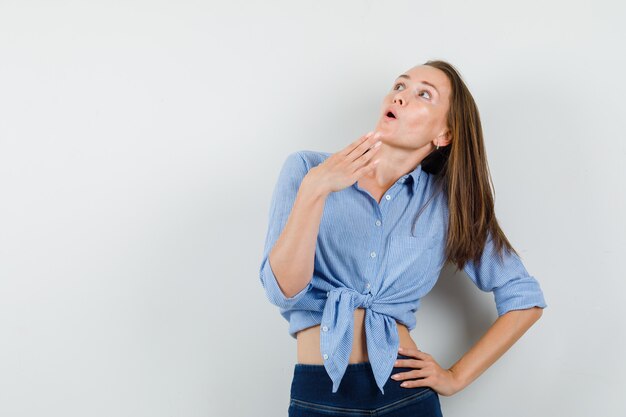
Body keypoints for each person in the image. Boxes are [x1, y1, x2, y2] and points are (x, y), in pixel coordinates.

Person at [259, 60, 548, 417]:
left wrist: (454, 378)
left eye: (423, 94)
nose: (401, 97)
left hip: (406, 396)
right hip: (320, 395)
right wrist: (316, 191)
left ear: (444, 135)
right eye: (399, 86)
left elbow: (525, 299)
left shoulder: (448, 203)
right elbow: (282, 290)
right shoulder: (308, 170)